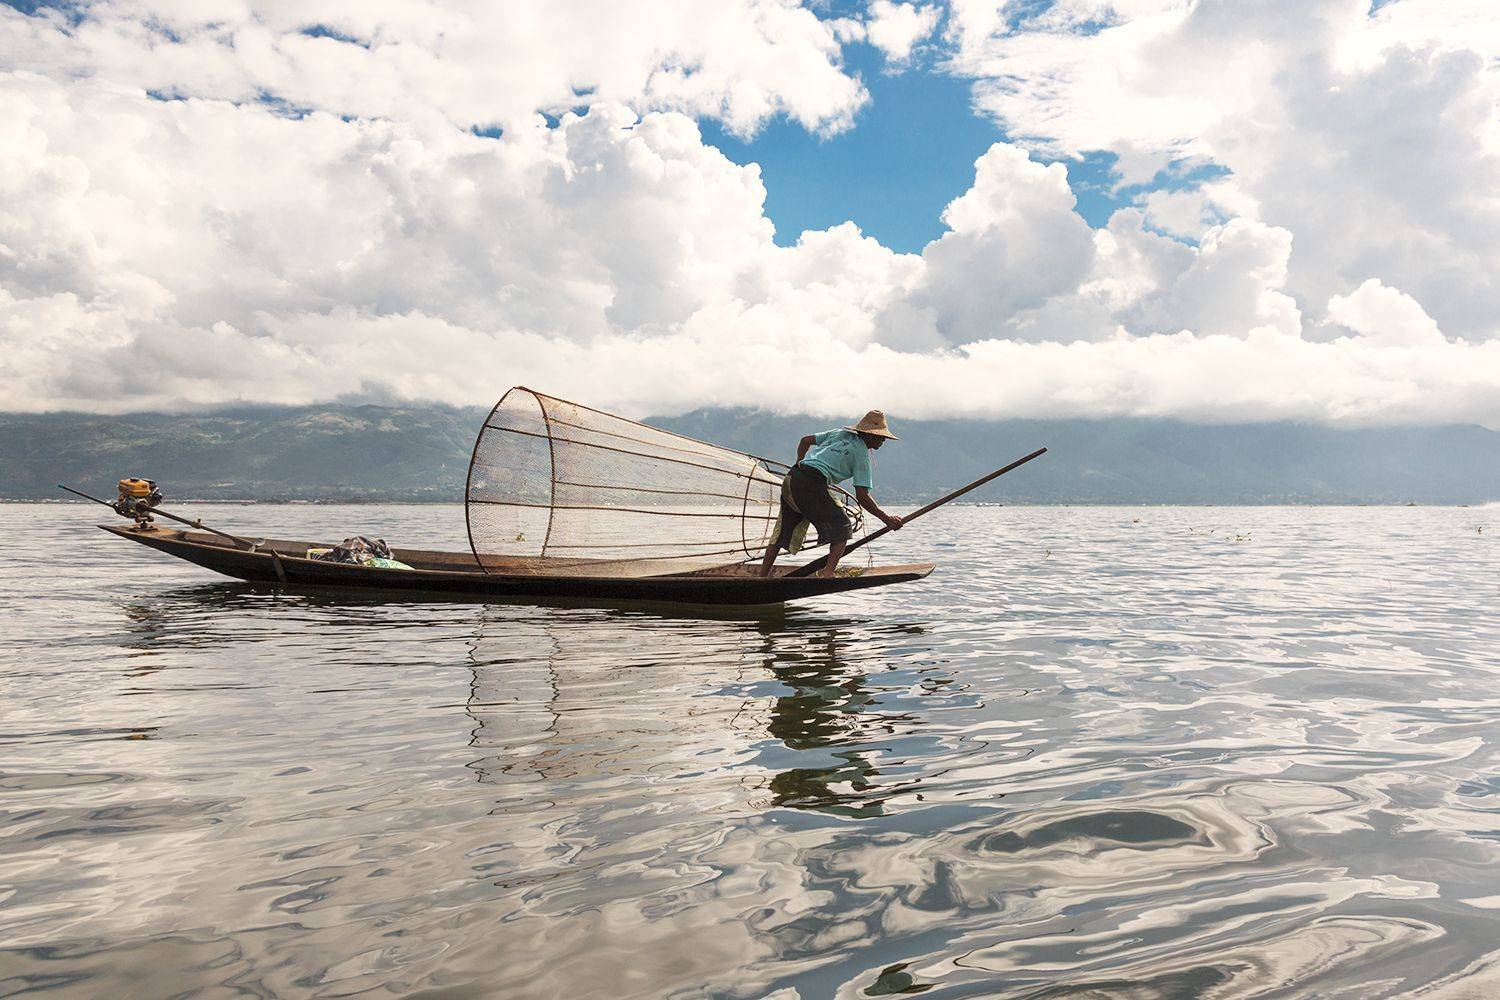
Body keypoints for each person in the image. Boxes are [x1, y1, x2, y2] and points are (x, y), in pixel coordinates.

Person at [760, 410, 904, 578]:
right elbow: (862, 496)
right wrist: (886, 519)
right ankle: (828, 573)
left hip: (793, 477)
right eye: (880, 437)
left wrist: (798, 462)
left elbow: (804, 440)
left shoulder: (839, 434)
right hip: (811, 483)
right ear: (869, 435)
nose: (883, 441)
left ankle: (762, 577)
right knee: (842, 527)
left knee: (781, 533)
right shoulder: (862, 455)